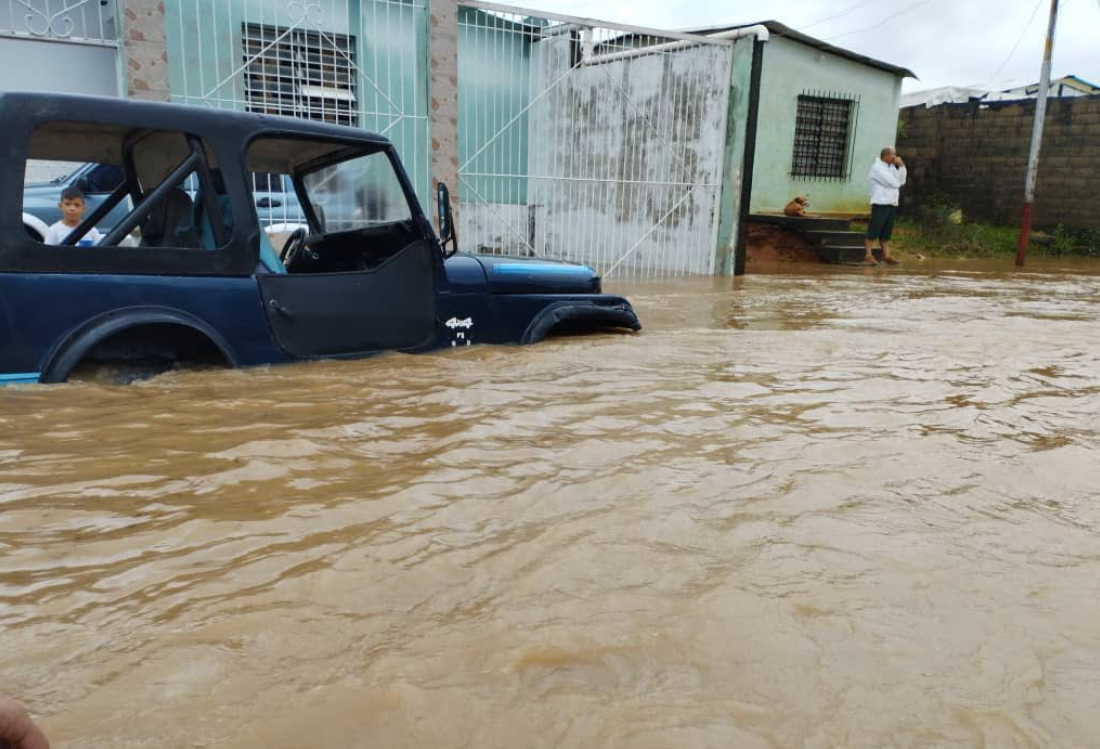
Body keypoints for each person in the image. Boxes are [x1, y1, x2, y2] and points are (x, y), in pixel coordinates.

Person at [864, 146, 906, 265]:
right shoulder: (877, 168)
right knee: (874, 229)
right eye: (893, 155)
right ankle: (868, 255)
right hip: (880, 203)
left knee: (886, 232)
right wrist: (897, 181)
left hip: (891, 203)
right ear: (886, 155)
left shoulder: (891, 167)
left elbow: (902, 181)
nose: (895, 157)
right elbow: (893, 183)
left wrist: (902, 166)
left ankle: (885, 256)